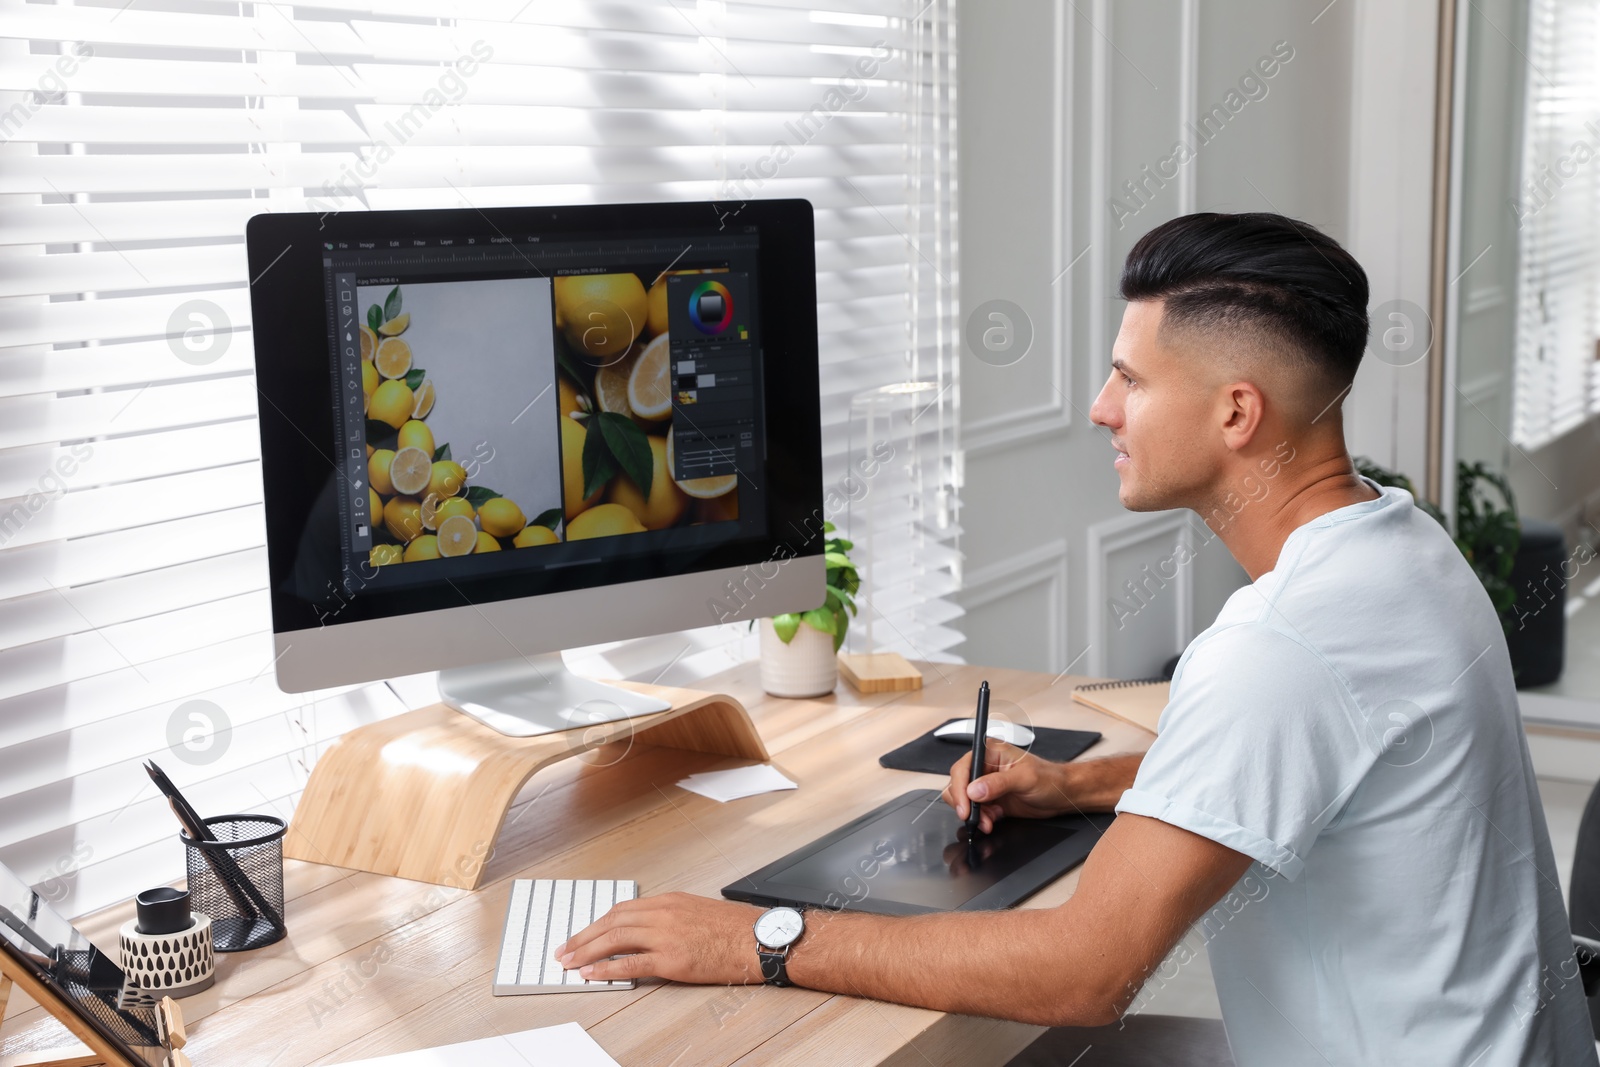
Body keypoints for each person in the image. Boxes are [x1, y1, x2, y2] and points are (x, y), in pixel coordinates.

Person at [554, 212, 1597, 1065]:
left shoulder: (1280, 641)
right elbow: (1327, 749)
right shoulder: (1400, 541)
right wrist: (1083, 785)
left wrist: (756, 937)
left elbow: (1083, 972)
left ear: (1237, 412)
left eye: (1131, 380)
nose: (1101, 408)